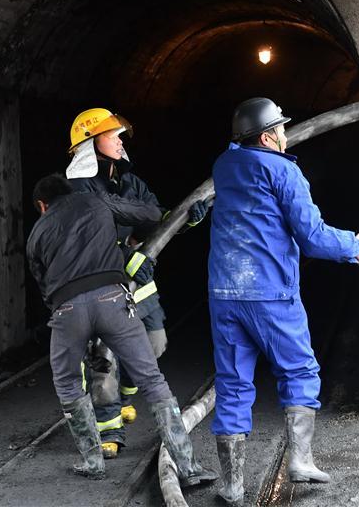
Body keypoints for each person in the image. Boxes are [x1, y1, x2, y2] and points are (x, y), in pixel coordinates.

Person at [207, 97, 359, 505]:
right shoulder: (284, 171)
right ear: (267, 137)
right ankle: (300, 461)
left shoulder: (223, 166)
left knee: (232, 383)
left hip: (225, 292)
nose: (286, 134)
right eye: (280, 128)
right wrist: (354, 245)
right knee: (299, 369)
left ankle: (231, 485)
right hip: (269, 293)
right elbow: (312, 237)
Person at [26, 173, 217, 485]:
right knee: (152, 379)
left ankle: (92, 461)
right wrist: (181, 219)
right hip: (113, 300)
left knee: (68, 384)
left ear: (42, 205)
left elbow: (44, 286)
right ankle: (189, 467)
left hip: (67, 309)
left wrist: (66, 315)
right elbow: (148, 215)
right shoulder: (96, 200)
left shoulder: (36, 233)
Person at [65, 108, 210, 459]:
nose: (119, 140)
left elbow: (152, 220)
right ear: (89, 143)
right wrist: (124, 258)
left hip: (139, 287)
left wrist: (183, 221)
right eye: (111, 134)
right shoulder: (77, 189)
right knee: (104, 361)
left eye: (118, 134)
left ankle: (127, 396)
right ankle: (108, 431)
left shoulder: (131, 182)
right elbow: (83, 242)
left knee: (155, 344)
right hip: (99, 285)